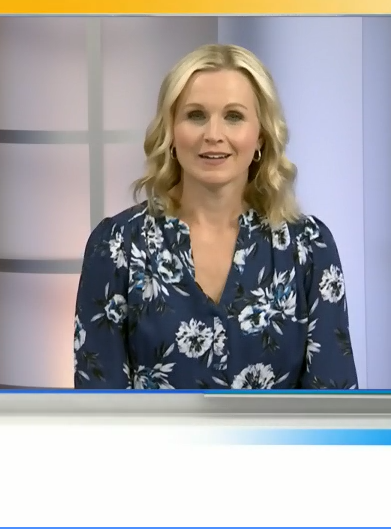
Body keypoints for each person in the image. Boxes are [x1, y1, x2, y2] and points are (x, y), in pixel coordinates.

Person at [73, 44, 358, 390]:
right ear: (171, 132)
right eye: (196, 115)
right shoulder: (116, 245)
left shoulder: (309, 248)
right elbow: (100, 406)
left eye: (234, 116)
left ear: (261, 137)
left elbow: (333, 403)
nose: (213, 134)